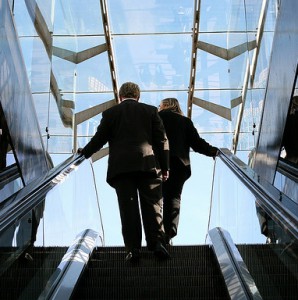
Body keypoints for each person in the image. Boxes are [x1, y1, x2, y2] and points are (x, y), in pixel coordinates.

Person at [78, 82, 170, 262]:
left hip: (121, 169)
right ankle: (157, 244)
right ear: (138, 96)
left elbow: (99, 139)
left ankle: (133, 250)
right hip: (148, 166)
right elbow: (161, 140)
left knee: (128, 209)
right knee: (153, 206)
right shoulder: (151, 111)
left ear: (120, 97)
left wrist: (85, 153)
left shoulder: (111, 113)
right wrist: (165, 168)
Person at [158, 98, 219, 245]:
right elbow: (197, 144)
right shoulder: (184, 122)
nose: (158, 107)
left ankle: (156, 235)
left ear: (165, 105)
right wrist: (214, 151)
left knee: (154, 199)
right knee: (173, 197)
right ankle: (169, 233)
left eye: (160, 105)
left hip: (157, 163)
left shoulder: (156, 118)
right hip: (179, 165)